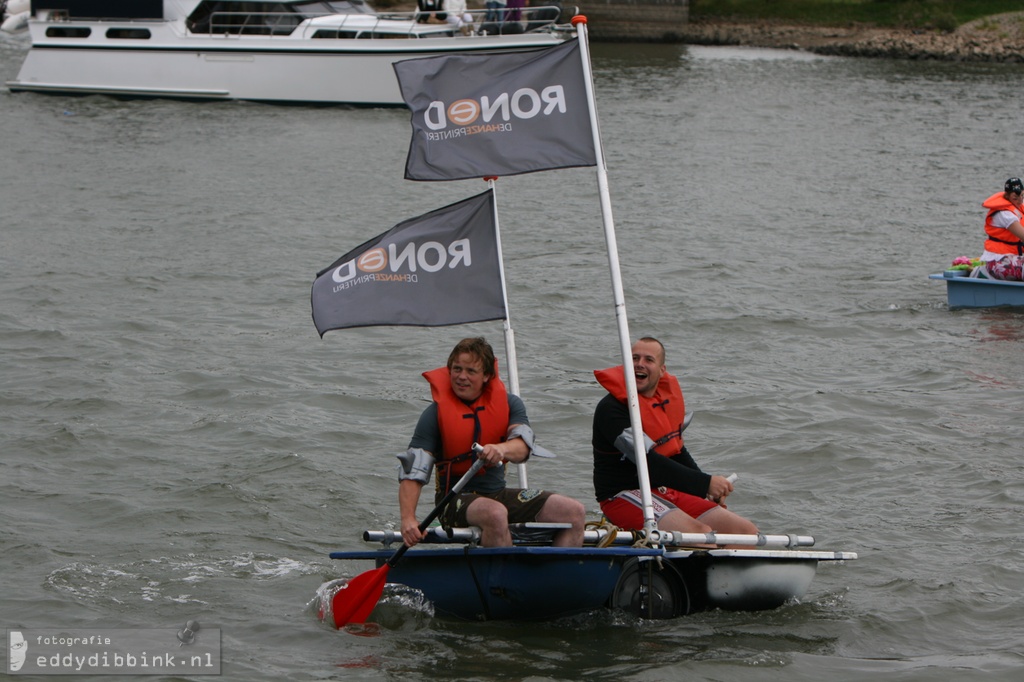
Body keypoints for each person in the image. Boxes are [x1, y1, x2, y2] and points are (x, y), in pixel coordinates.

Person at [398, 337, 586, 548]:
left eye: (471, 371)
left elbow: (522, 446)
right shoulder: (433, 415)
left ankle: (557, 577)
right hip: (452, 501)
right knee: (495, 514)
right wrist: (408, 519)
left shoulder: (510, 404)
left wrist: (501, 449)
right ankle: (504, 578)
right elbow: (412, 472)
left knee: (573, 511)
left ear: (487, 375)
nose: (461, 377)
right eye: (457, 369)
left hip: (497, 494)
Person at [592, 337, 758, 536]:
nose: (639, 364)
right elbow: (648, 462)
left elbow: (676, 451)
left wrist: (705, 490)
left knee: (744, 531)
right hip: (621, 495)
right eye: (634, 358)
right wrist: (705, 483)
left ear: (662, 370)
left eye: (648, 360)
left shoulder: (661, 404)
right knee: (699, 533)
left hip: (662, 489)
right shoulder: (611, 410)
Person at [978, 177, 1024, 281]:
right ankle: (983, 273)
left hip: (1013, 258)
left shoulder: (1019, 205)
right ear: (1007, 196)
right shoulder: (1004, 214)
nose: (1020, 200)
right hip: (996, 262)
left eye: (1022, 195)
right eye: (1015, 197)